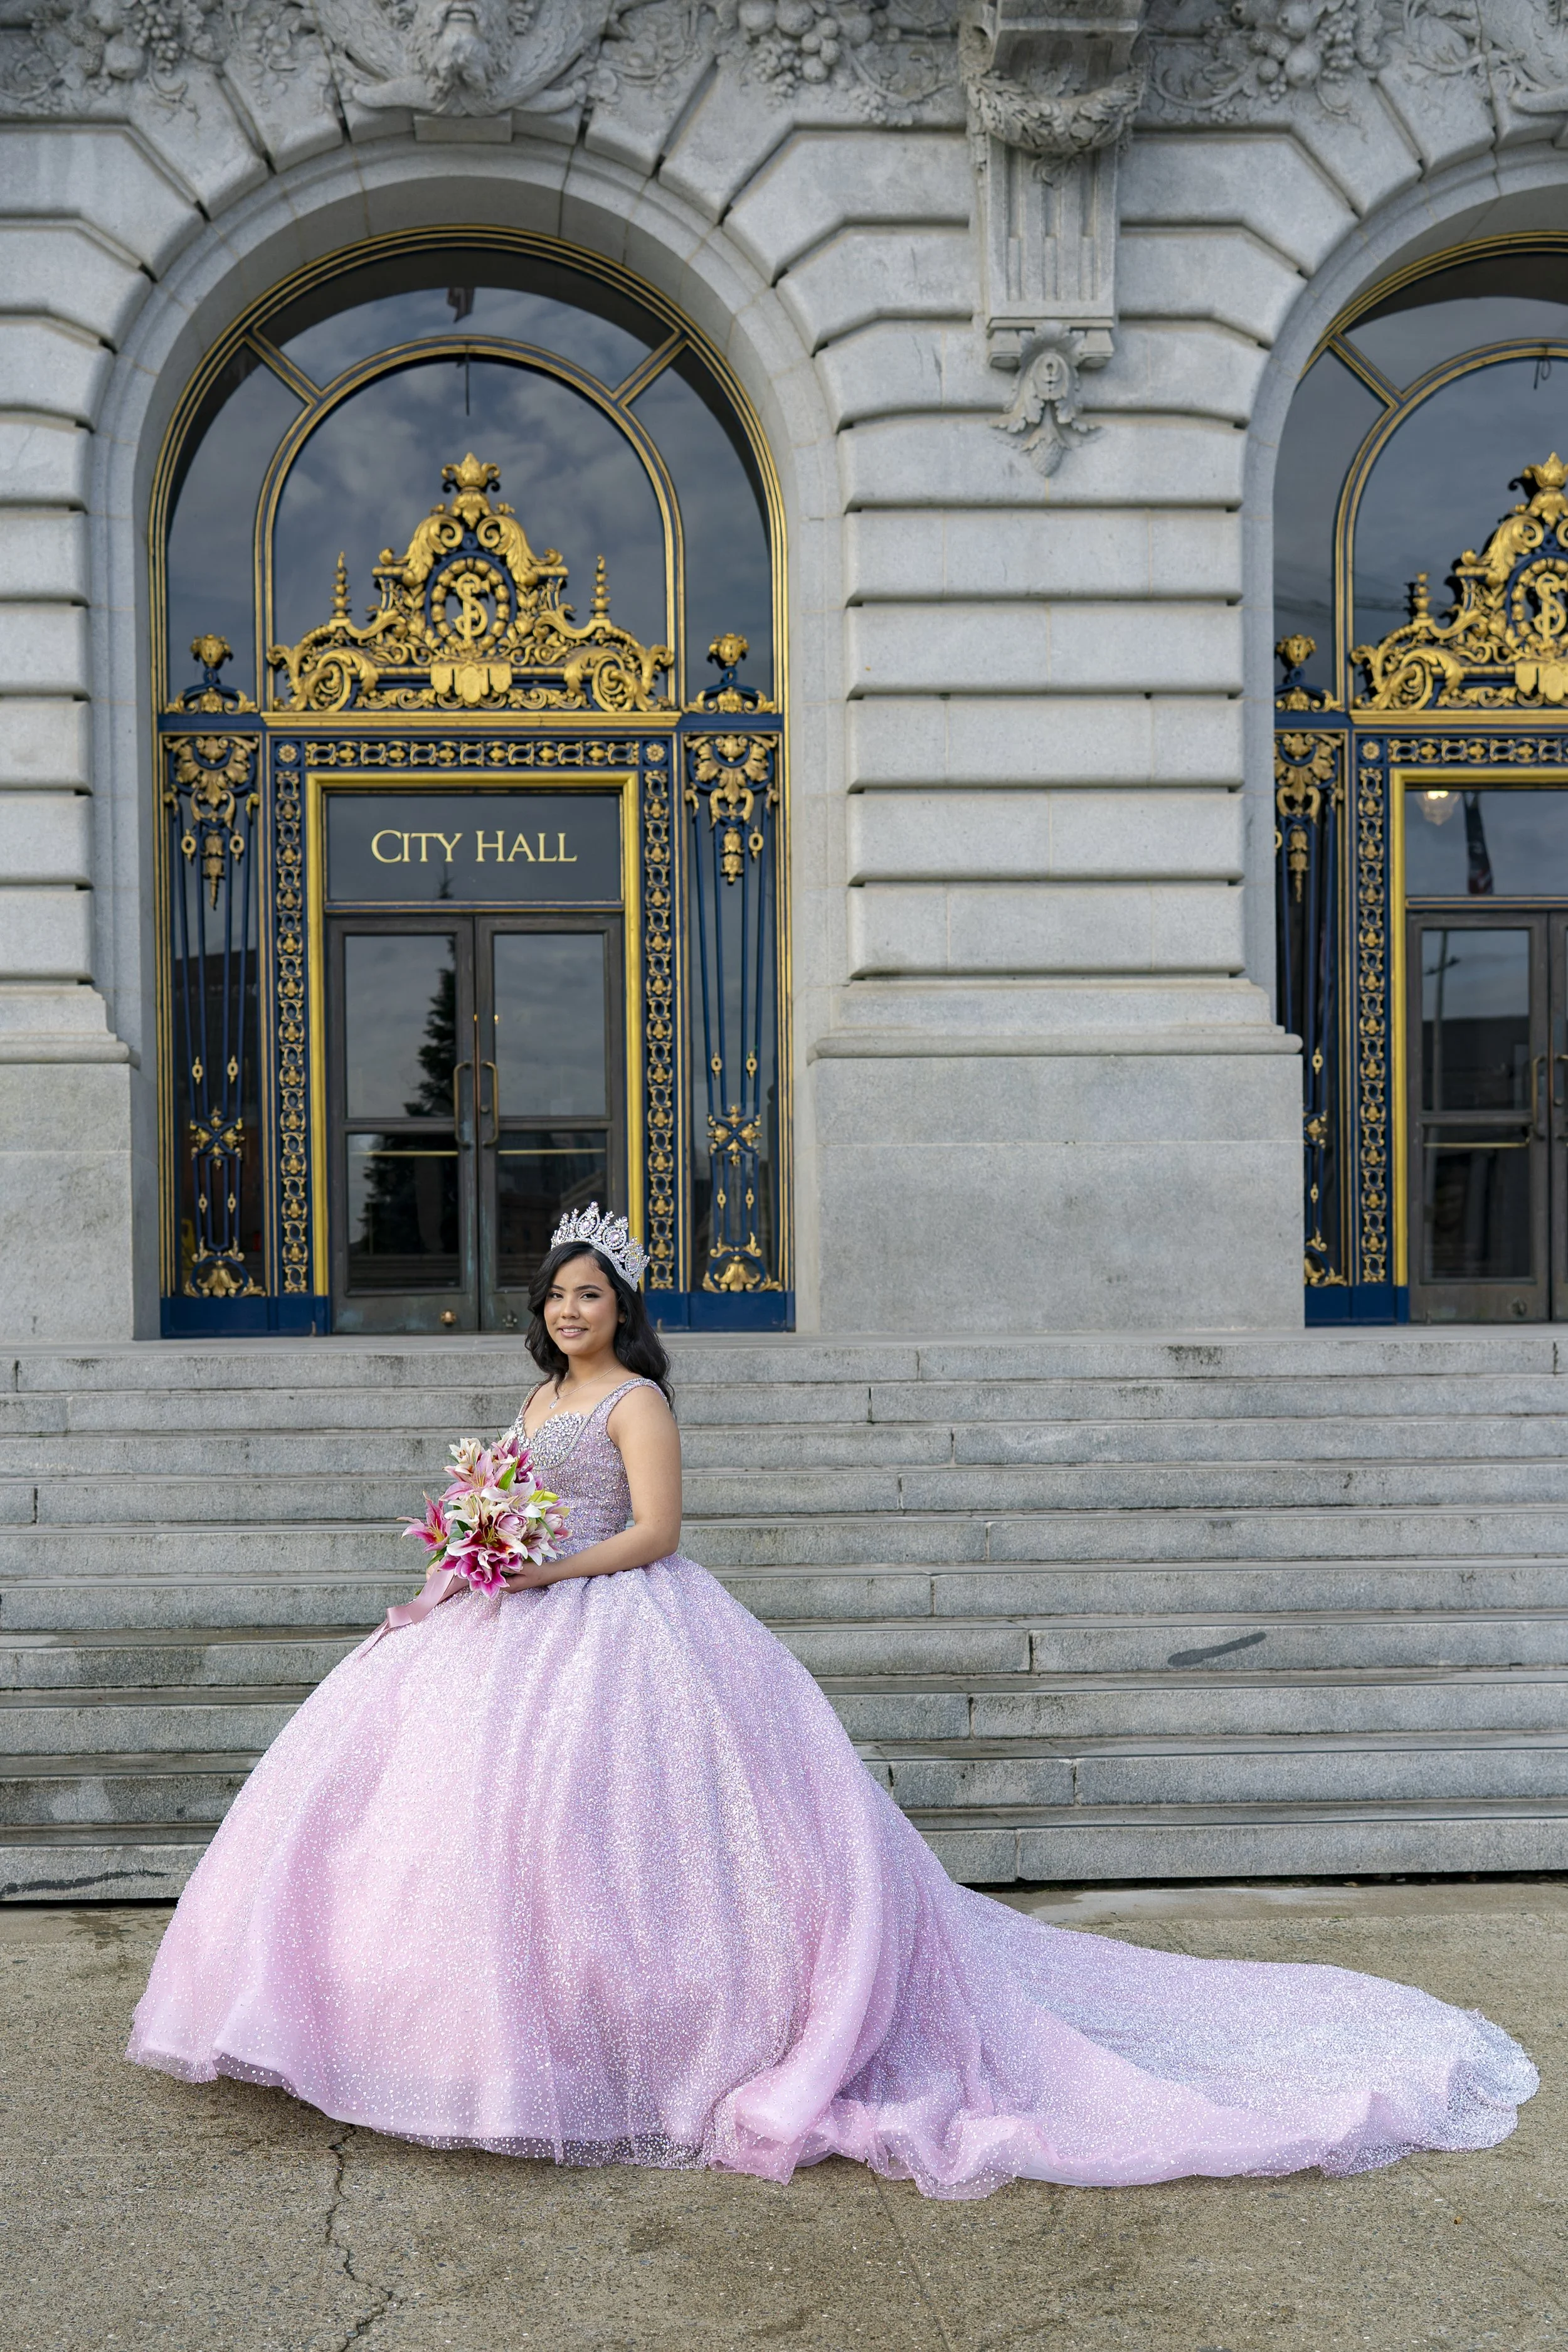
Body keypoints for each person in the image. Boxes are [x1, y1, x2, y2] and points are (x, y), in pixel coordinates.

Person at [128, 1206, 1538, 2200]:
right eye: (557, 1295)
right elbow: (498, 1499)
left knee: (613, 1843)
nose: (570, 1311)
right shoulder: (533, 1405)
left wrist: (543, 1562)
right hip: (502, 1630)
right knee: (442, 1836)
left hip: (617, 1627)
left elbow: (657, 1533)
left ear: (624, 1311)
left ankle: (616, 2050)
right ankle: (420, 2040)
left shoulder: (632, 1404)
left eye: (592, 1296)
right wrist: (471, 1549)